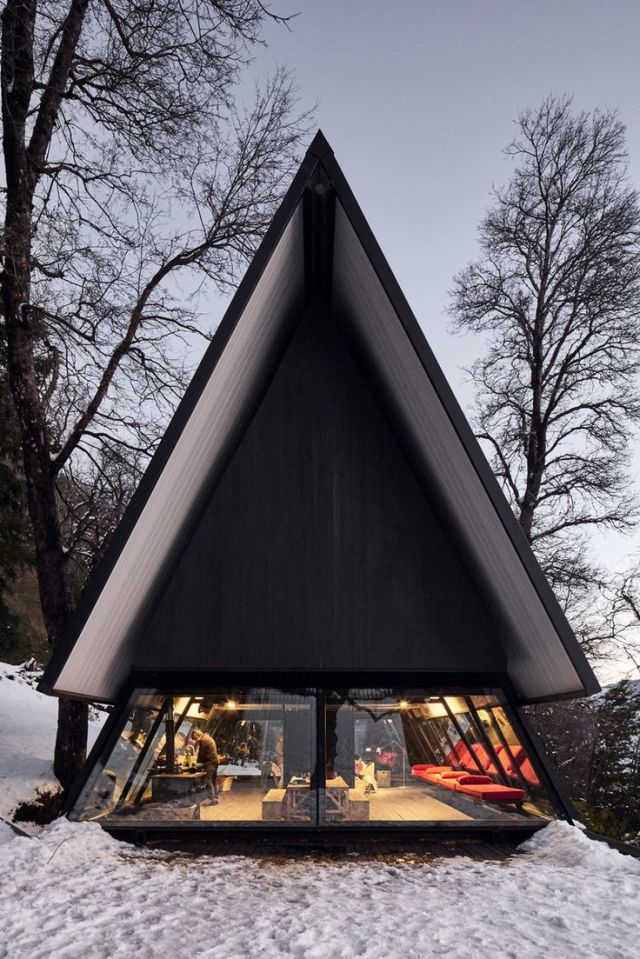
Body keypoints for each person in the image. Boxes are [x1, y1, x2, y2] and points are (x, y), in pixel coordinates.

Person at [191, 728, 220, 804]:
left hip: (210, 762)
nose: (196, 741)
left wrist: (197, 765)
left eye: (195, 738)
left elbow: (201, 754)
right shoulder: (208, 738)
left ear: (197, 735)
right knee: (214, 780)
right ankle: (216, 798)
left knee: (208, 780)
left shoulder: (203, 740)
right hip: (215, 761)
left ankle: (211, 799)